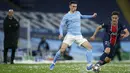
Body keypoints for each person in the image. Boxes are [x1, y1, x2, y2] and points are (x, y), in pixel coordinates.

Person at [50, 1, 97, 70]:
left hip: (78, 36)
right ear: (70, 6)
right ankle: (53, 63)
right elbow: (61, 26)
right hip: (70, 35)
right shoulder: (66, 16)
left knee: (89, 47)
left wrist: (92, 16)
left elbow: (82, 16)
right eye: (73, 6)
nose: (74, 8)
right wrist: (61, 33)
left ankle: (89, 65)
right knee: (62, 50)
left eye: (76, 6)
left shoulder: (78, 13)